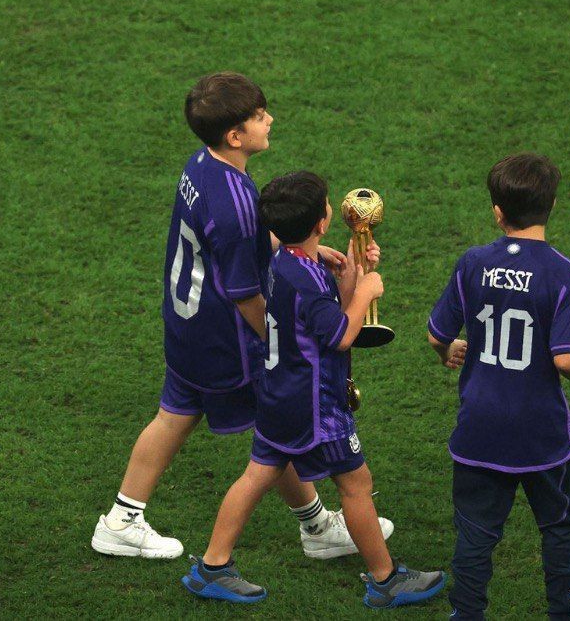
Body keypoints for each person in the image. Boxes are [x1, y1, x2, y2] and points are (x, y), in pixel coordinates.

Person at [92, 72, 380, 561]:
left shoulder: (201, 166)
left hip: (187, 324)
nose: (270, 120)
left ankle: (121, 519)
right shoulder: (237, 201)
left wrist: (300, 247)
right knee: (277, 426)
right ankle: (315, 529)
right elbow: (246, 291)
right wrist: (278, 340)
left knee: (175, 414)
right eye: (259, 116)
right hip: (225, 337)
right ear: (235, 136)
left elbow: (227, 242)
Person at [182, 171, 445, 609]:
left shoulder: (285, 264)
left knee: (256, 476)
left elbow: (321, 313)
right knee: (357, 484)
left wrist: (354, 269)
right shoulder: (306, 277)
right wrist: (365, 292)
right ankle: (385, 580)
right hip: (315, 404)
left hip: (279, 391)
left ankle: (211, 566)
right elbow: (340, 333)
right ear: (322, 222)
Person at [426, 153, 570, 620]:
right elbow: (566, 357)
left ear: (497, 212)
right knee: (561, 524)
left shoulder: (473, 262)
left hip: (479, 424)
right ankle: (566, 613)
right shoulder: (565, 273)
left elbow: (437, 334)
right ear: (552, 205)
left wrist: (448, 352)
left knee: (476, 531)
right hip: (540, 432)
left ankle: (465, 614)